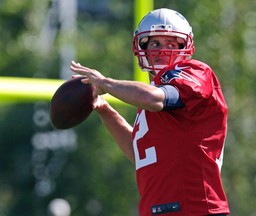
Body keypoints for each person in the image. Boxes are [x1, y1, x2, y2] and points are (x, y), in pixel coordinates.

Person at [70, 8, 230, 216]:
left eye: (171, 43)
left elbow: (154, 98)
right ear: (140, 47)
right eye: (155, 43)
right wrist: (104, 109)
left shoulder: (196, 73)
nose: (162, 50)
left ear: (186, 46)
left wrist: (105, 83)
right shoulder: (149, 94)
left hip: (196, 208)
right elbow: (139, 153)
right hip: (157, 210)